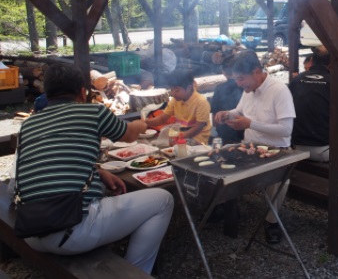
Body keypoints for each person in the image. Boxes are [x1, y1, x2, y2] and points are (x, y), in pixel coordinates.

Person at [12, 63, 173, 274]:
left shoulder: (29, 124)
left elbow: (55, 160)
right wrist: (145, 124)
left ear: (46, 92)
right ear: (82, 91)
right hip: (70, 231)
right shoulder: (93, 112)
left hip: (31, 231)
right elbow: (129, 134)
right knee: (163, 200)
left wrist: (98, 172)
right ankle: (136, 273)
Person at [213, 51, 296, 245]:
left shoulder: (279, 90)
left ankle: (272, 222)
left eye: (241, 79)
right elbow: (240, 111)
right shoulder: (249, 89)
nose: (239, 84)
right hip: (248, 146)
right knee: (218, 160)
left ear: (257, 71)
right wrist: (227, 114)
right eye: (236, 80)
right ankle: (224, 206)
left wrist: (250, 124)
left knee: (280, 179)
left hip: (276, 150)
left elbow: (286, 130)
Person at [290, 46, 338, 164]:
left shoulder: (296, 80)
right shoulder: (336, 82)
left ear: (312, 62)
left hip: (295, 146)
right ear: (331, 64)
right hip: (322, 149)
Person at [145, 68, 212, 145]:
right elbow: (162, 118)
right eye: (171, 90)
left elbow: (197, 128)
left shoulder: (201, 102)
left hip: (197, 140)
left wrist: (179, 137)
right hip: (180, 136)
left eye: (177, 90)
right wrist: (146, 123)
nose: (173, 93)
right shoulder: (175, 100)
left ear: (189, 87)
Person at [210, 54, 244, 144]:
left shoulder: (219, 88)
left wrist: (216, 132)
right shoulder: (247, 87)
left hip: (225, 134)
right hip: (245, 133)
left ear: (223, 72)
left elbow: (215, 114)